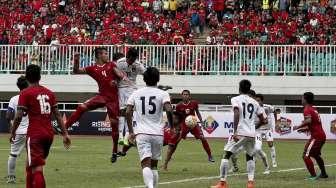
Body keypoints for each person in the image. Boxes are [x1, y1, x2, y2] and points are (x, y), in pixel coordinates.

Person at [10, 64, 71, 188]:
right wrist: (65, 134)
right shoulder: (49, 93)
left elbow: (18, 115)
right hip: (48, 134)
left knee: (37, 168)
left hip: (35, 134)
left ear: (27, 77)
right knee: (30, 164)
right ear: (40, 76)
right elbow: (58, 115)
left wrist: (13, 131)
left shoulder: (25, 93)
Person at [65, 47, 129, 163]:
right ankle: (64, 128)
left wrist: (117, 81)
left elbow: (122, 76)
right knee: (81, 107)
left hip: (113, 100)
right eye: (105, 54)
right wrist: (76, 60)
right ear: (99, 55)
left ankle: (114, 152)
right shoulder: (92, 68)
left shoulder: (111, 65)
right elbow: (76, 71)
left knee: (114, 127)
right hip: (102, 96)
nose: (107, 56)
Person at [211, 80, 266, 188]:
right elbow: (263, 120)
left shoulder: (235, 99)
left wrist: (235, 131)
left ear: (239, 88)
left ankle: (222, 183)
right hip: (251, 134)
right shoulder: (255, 102)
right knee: (250, 156)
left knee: (226, 154)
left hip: (240, 132)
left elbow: (236, 113)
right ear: (249, 89)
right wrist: (254, 128)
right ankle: (250, 183)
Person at [126, 67, 174, 188]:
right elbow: (169, 109)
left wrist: (131, 132)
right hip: (158, 133)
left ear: (144, 79)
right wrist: (172, 126)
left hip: (141, 133)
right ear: (158, 79)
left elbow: (127, 112)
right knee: (154, 165)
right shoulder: (163, 93)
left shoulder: (136, 93)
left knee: (145, 164)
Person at [163, 89, 214, 171]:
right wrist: (176, 126)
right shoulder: (179, 105)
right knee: (176, 142)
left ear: (189, 96)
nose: (185, 95)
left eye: (187, 94)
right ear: (181, 95)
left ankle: (210, 156)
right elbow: (176, 117)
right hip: (184, 125)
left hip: (194, 124)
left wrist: (201, 122)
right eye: (184, 94)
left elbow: (198, 112)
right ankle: (166, 163)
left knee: (203, 138)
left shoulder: (194, 103)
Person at [293, 92, 328, 180]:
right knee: (316, 155)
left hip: (316, 137)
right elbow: (315, 124)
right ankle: (323, 174)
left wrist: (298, 126)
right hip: (321, 135)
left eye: (302, 98)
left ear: (305, 99)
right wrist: (305, 129)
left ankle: (313, 176)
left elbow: (308, 120)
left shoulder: (307, 109)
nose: (301, 100)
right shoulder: (314, 109)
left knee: (305, 155)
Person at [116, 48, 145, 147]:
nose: (131, 62)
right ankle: (120, 135)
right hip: (121, 88)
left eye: (133, 60)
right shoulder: (120, 63)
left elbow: (146, 74)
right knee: (121, 111)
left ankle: (126, 136)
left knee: (130, 112)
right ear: (127, 57)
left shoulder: (138, 64)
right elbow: (113, 73)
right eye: (130, 60)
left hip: (133, 89)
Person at [6, 76, 29, 183]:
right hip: (31, 131)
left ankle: (11, 177)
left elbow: (8, 116)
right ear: (27, 85)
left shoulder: (14, 99)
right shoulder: (31, 97)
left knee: (13, 154)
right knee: (31, 155)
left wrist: (12, 129)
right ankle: (32, 176)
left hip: (18, 131)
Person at [255, 93, 278, 168]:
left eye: (258, 100)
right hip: (258, 130)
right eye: (256, 100)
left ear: (262, 101)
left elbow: (274, 111)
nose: (257, 102)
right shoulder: (255, 108)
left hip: (268, 129)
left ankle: (274, 161)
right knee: (257, 146)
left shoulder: (267, 107)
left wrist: (276, 121)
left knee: (270, 144)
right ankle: (256, 159)